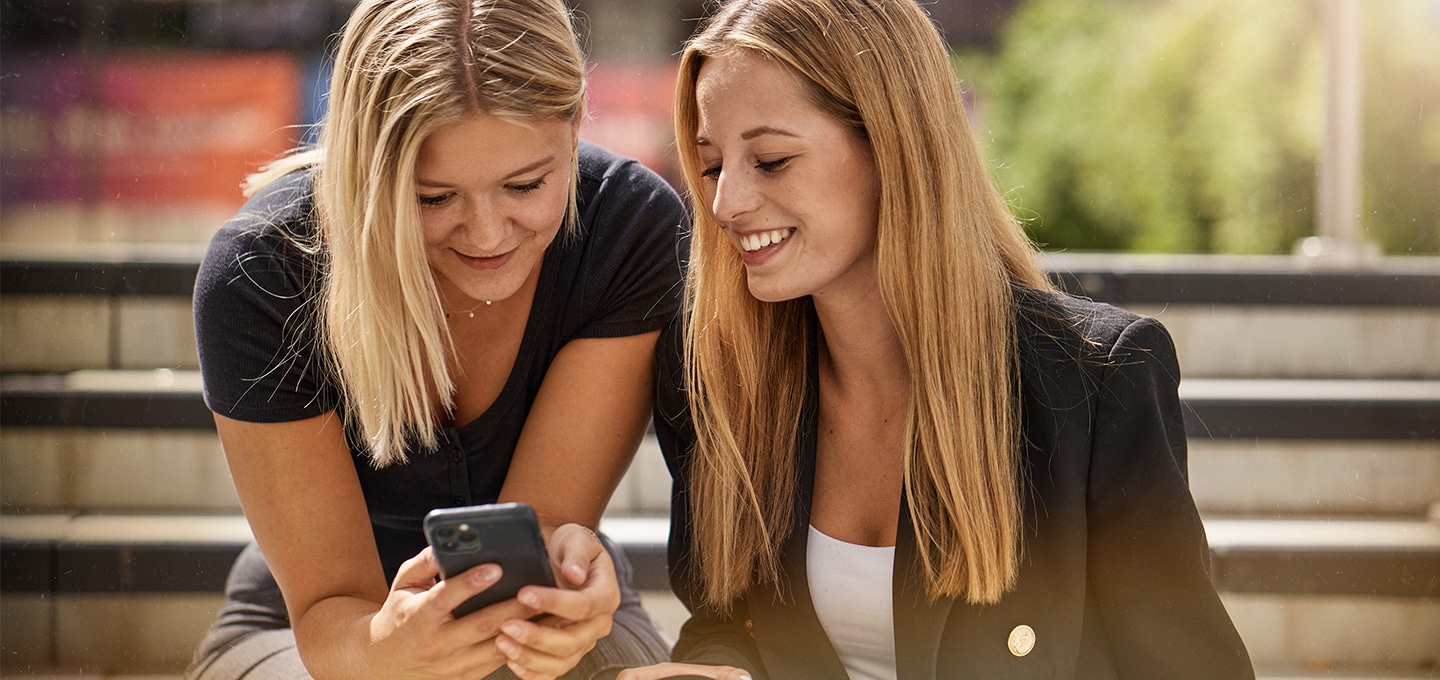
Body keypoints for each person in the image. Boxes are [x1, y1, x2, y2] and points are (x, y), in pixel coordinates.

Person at [629, 0, 1255, 677]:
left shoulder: (1094, 380)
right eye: (713, 166)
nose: (724, 204)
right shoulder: (716, 382)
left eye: (772, 160)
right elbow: (727, 623)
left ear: (894, 146)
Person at [187, 0, 686, 678]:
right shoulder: (262, 271)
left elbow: (522, 569)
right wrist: (386, 647)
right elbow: (331, 614)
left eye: (525, 185)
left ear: (575, 126)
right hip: (316, 632)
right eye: (431, 198)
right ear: (369, 166)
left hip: (551, 618)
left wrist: (567, 611)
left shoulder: (627, 230)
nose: (486, 235)